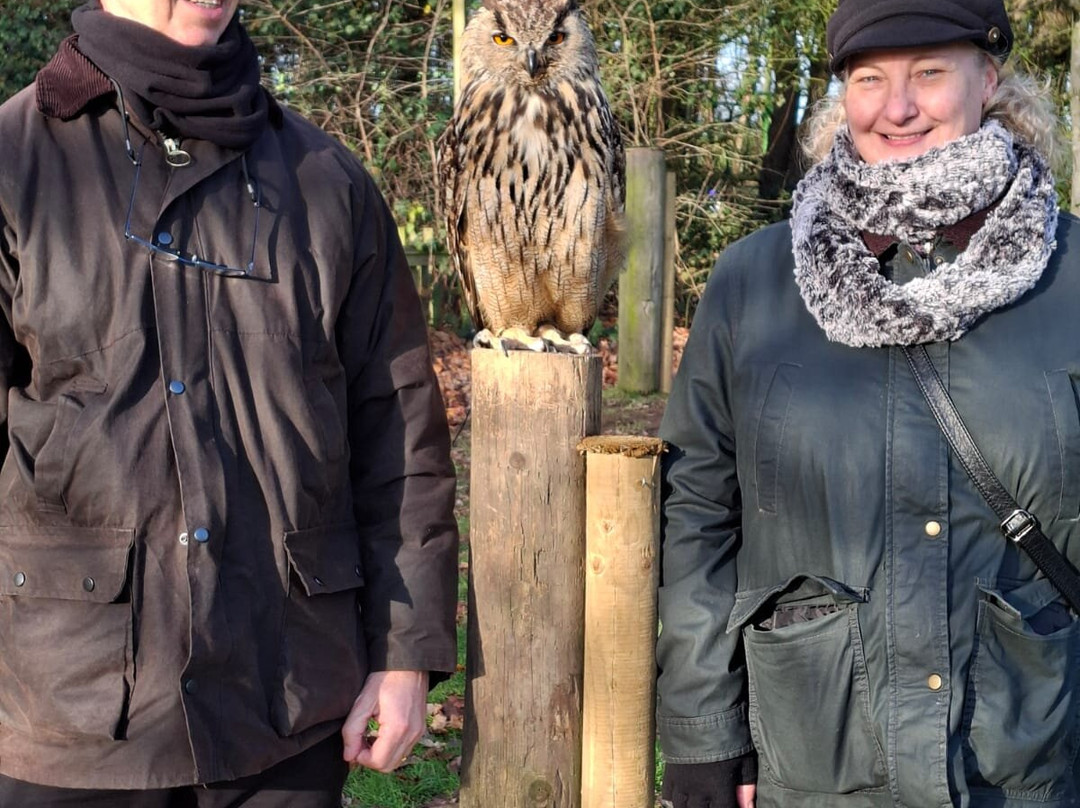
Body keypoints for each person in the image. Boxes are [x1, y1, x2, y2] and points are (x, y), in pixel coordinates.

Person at [0, 0, 459, 805]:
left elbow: (397, 431)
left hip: (287, 704)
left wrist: (405, 652)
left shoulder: (328, 180)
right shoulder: (13, 164)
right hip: (66, 721)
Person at [656, 0, 1074, 805]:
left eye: (929, 72)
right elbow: (698, 512)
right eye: (871, 78)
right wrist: (705, 734)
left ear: (988, 80)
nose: (898, 107)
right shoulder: (752, 285)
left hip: (1030, 764)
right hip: (810, 760)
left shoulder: (1073, 278)